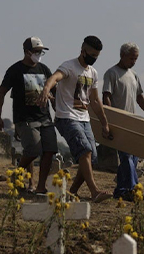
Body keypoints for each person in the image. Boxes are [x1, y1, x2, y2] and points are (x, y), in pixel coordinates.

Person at [36, 35, 111, 202]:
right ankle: (94, 191)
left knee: (92, 157)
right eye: (91, 54)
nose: (93, 58)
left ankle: (73, 191)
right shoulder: (69, 66)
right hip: (67, 117)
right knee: (84, 150)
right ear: (83, 51)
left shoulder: (93, 73)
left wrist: (104, 123)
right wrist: (46, 90)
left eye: (97, 56)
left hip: (84, 119)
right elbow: (54, 78)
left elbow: (95, 100)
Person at [0, 37, 57, 194]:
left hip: (45, 117)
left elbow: (55, 92)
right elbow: (1, 93)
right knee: (33, 149)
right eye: (36, 51)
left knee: (49, 150)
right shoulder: (15, 70)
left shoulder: (44, 69)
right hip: (25, 118)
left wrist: (57, 108)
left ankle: (40, 186)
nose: (39, 54)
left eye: (41, 51)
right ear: (27, 52)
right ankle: (17, 174)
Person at [102, 42, 144, 201]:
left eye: (136, 59)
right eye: (131, 58)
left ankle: (121, 190)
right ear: (123, 56)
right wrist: (109, 120)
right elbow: (107, 97)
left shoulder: (134, 75)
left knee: (133, 157)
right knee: (125, 156)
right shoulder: (111, 73)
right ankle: (133, 188)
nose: (133, 61)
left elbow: (139, 97)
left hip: (132, 121)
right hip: (119, 121)